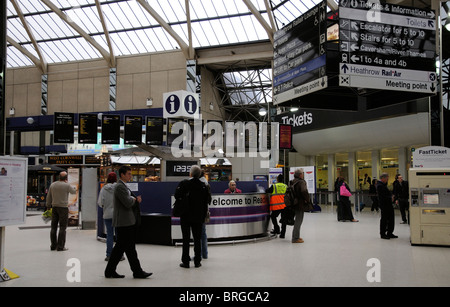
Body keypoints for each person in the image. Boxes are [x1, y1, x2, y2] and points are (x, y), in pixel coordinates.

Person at [104, 166, 152, 279]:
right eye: (129, 174)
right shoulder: (120, 187)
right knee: (123, 248)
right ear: (122, 175)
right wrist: (134, 199)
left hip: (126, 221)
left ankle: (133, 271)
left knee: (126, 248)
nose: (131, 176)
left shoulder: (122, 186)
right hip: (124, 222)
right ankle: (133, 271)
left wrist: (132, 199)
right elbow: (127, 202)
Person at [175, 165, 210, 268]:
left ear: (190, 174)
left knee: (185, 239)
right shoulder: (203, 185)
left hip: (185, 216)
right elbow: (206, 201)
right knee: (197, 239)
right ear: (199, 174)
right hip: (198, 216)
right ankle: (197, 261)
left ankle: (185, 261)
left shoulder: (184, 183)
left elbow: (177, 195)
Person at [46, 171, 77, 251]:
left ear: (59, 177)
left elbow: (49, 196)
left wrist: (48, 205)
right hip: (63, 208)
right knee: (62, 227)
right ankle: (60, 246)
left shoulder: (53, 185)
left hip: (54, 207)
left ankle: (53, 245)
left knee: (53, 227)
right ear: (66, 178)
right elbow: (74, 191)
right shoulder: (67, 185)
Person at [97, 172, 124, 261]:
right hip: (118, 215)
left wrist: (105, 206)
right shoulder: (119, 187)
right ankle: (120, 255)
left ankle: (109, 255)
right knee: (119, 235)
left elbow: (100, 203)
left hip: (107, 214)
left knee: (109, 235)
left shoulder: (104, 189)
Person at [290, 168, 310, 243]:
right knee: (299, 220)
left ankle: (296, 236)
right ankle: (295, 238)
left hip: (293, 203)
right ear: (300, 175)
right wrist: (307, 200)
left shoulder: (292, 181)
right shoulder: (301, 182)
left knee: (297, 220)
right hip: (300, 203)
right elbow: (304, 191)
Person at [377, 173, 397, 239]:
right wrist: (390, 197)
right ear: (383, 178)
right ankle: (383, 233)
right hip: (384, 204)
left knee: (391, 218)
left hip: (388, 204)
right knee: (384, 219)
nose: (387, 180)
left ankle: (390, 232)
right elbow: (383, 196)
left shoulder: (383, 185)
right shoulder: (380, 185)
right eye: (387, 179)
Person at [199, 171, 211, 259]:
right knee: (203, 233)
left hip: (198, 212)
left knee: (199, 234)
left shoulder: (198, 183)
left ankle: (199, 254)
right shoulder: (206, 184)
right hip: (204, 210)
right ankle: (205, 254)